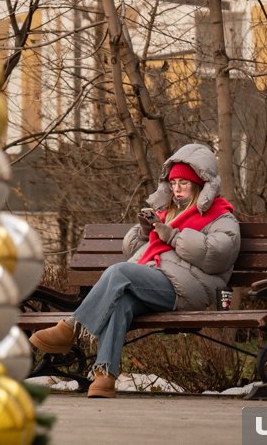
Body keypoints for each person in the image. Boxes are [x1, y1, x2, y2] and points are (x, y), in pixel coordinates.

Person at [28, 143, 241, 398]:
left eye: (183, 183)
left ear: (199, 184)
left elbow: (217, 255)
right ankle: (104, 376)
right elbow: (131, 252)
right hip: (154, 281)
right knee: (122, 302)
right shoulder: (166, 212)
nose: (176, 189)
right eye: (173, 184)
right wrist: (143, 231)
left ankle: (71, 327)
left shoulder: (221, 217)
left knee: (120, 273)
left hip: (187, 289)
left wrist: (172, 235)